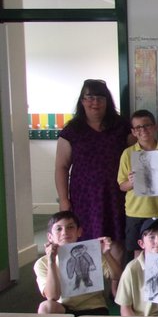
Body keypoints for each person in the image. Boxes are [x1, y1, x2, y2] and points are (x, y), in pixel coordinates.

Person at [55, 79, 132, 249]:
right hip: (84, 197)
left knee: (115, 240)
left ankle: (115, 276)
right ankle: (90, 276)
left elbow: (138, 154)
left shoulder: (122, 126)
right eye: (89, 97)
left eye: (100, 97)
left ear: (107, 101)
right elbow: (61, 167)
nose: (94, 102)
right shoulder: (71, 130)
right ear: (82, 101)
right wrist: (63, 199)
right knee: (84, 241)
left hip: (115, 195)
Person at [34, 211, 122, 315]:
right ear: (50, 237)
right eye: (59, 229)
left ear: (79, 232)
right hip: (64, 308)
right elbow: (52, 296)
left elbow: (117, 276)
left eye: (70, 227)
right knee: (45, 307)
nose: (64, 232)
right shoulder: (42, 263)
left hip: (94, 307)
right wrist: (51, 261)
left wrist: (107, 254)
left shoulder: (92, 253)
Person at [117, 109, 158, 260]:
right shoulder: (128, 154)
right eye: (138, 127)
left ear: (155, 127)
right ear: (133, 131)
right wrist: (130, 183)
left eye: (147, 125)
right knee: (138, 254)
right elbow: (121, 186)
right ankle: (140, 283)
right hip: (135, 212)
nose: (143, 130)